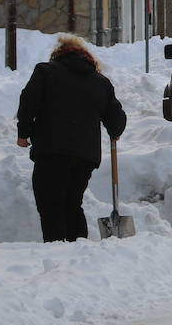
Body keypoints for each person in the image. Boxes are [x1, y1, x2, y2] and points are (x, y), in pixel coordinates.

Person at [16, 35, 127, 242]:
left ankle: (56, 249)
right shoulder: (100, 82)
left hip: (51, 151)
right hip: (84, 156)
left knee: (51, 204)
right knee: (72, 202)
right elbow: (116, 119)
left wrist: (24, 133)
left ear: (57, 55)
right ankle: (78, 249)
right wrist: (115, 131)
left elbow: (28, 101)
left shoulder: (46, 72)